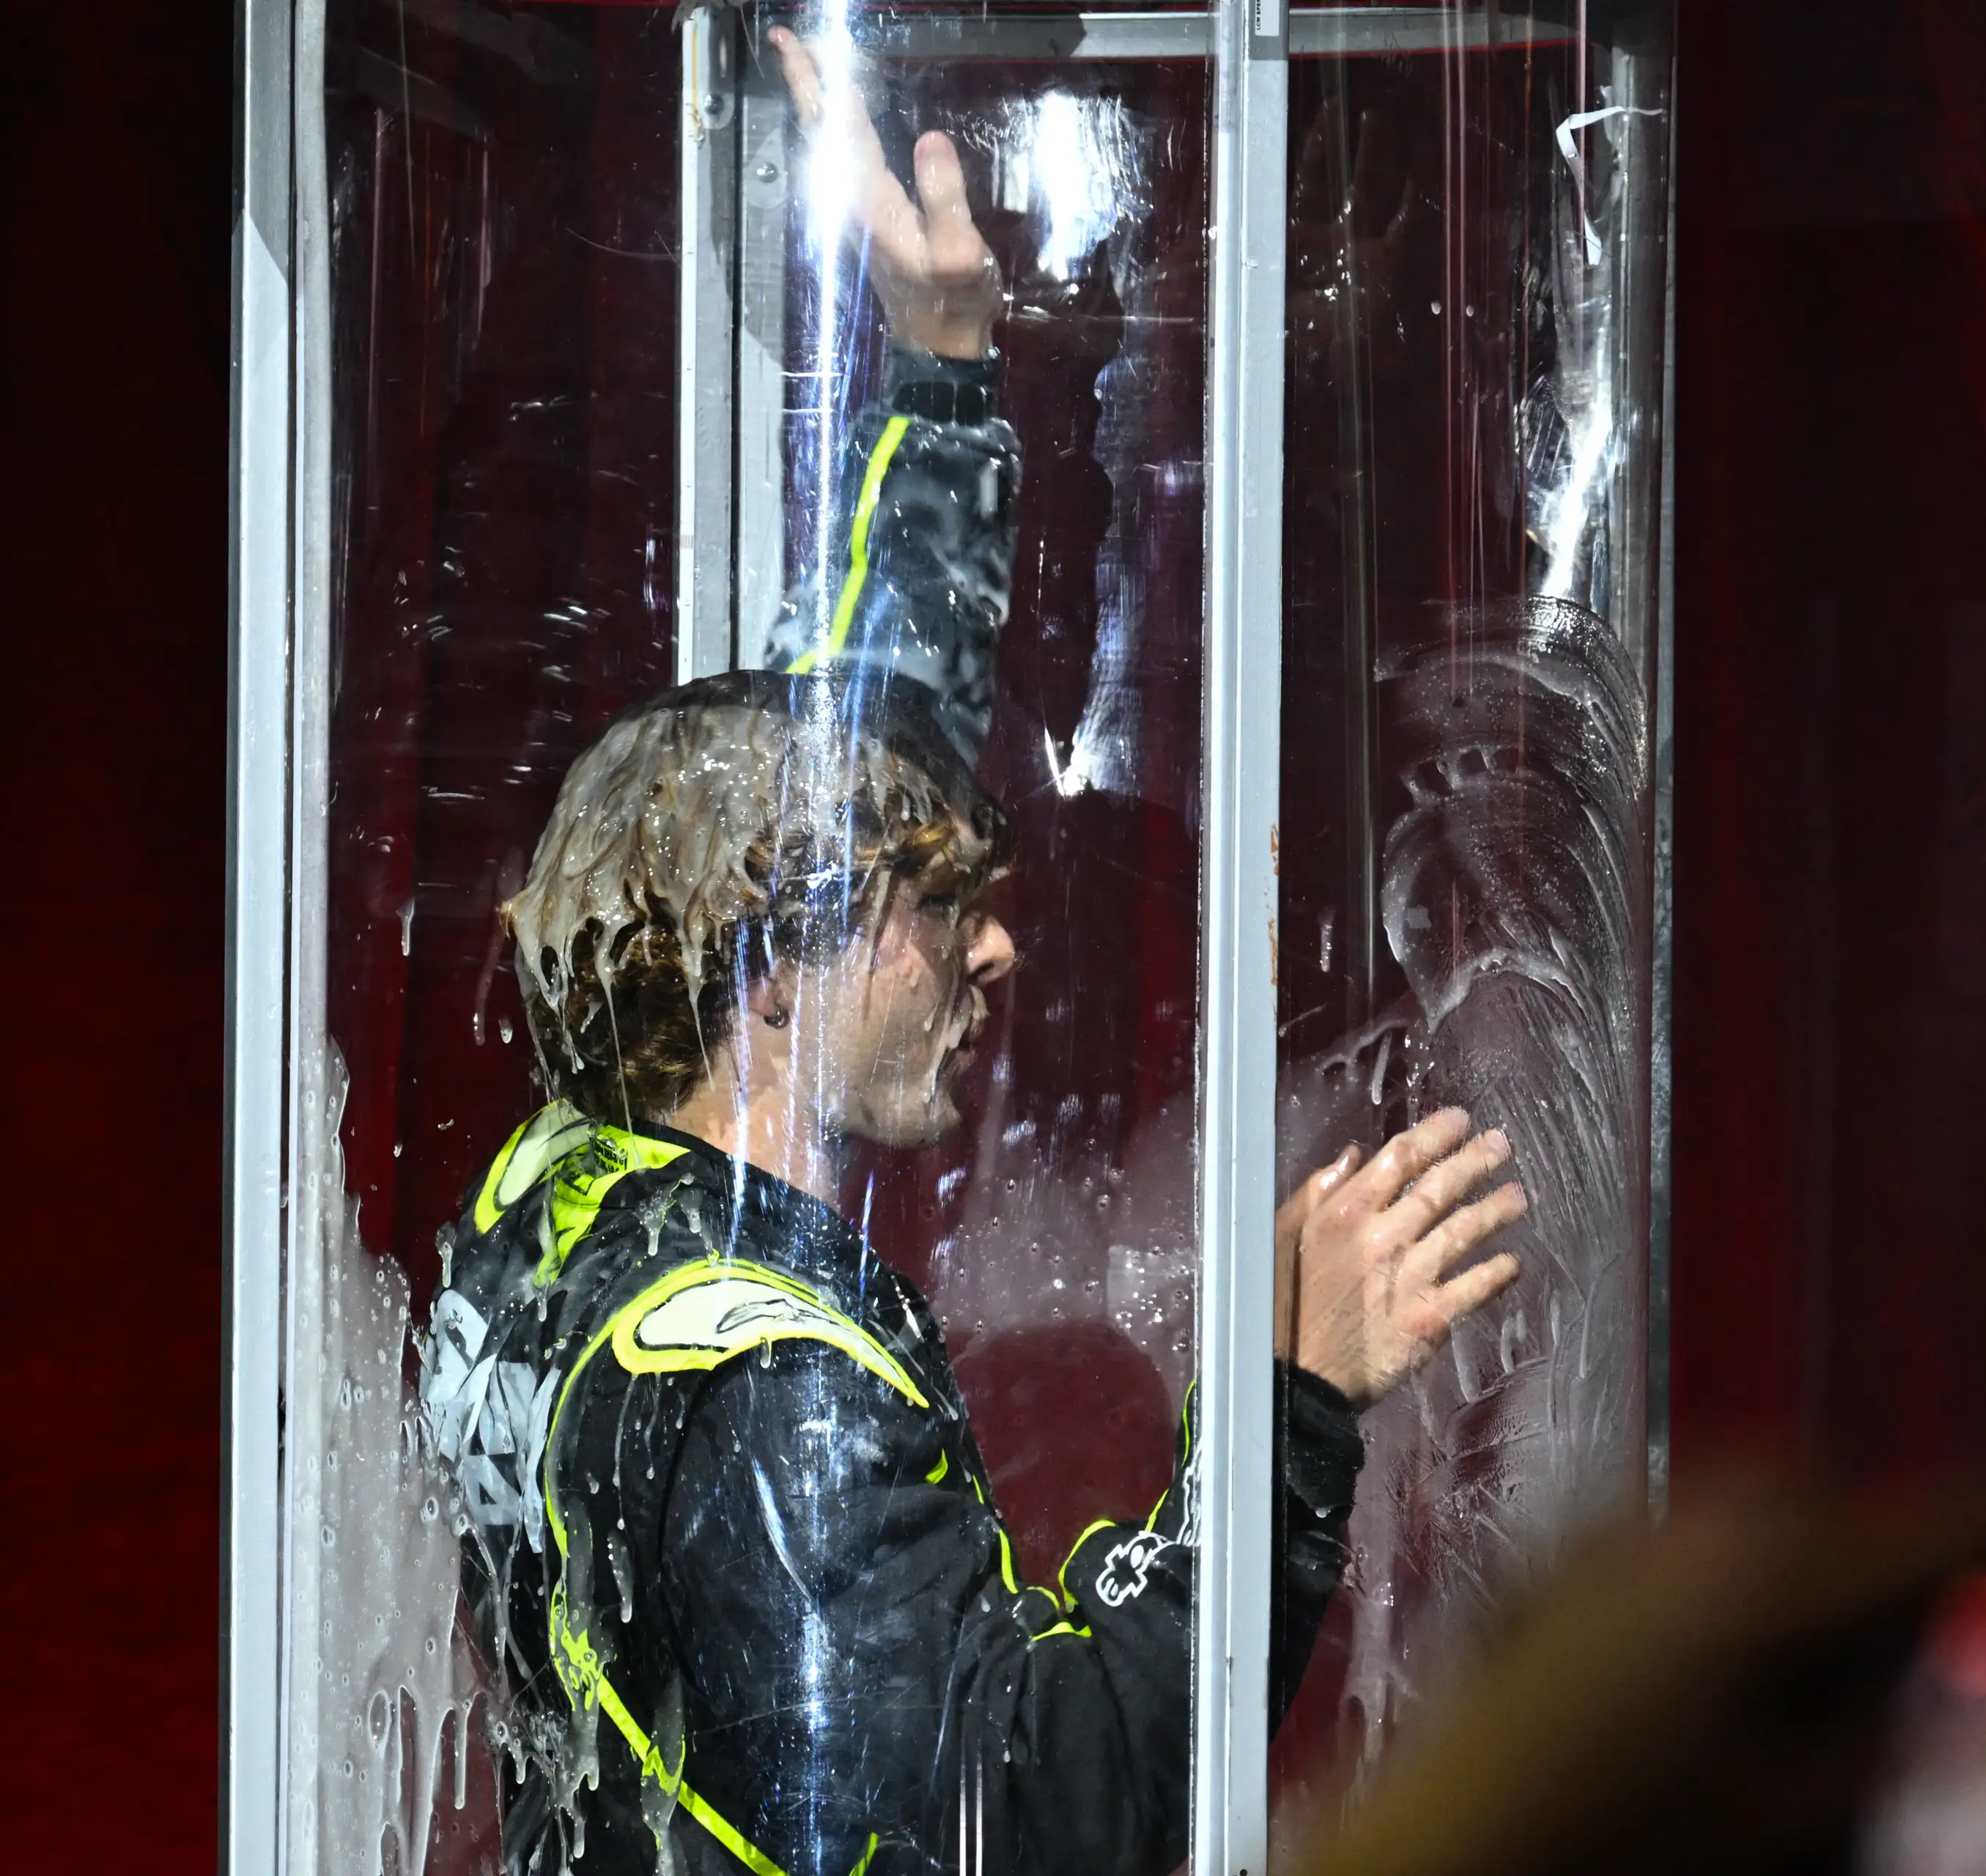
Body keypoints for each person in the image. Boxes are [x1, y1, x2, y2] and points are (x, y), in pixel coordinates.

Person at [422, 28, 1529, 1875]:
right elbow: (1037, 1806)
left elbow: (838, 777)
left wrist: (933, 376)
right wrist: (1297, 1405)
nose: (998, 949)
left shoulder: (559, 1188)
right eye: (939, 912)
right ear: (771, 952)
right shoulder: (758, 1384)